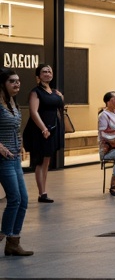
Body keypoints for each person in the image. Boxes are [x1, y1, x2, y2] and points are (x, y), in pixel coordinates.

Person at [1, 68, 34, 256]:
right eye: (12, 81)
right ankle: (3, 233)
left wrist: (21, 146)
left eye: (18, 81)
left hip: (14, 157)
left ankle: (13, 242)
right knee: (14, 199)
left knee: (23, 200)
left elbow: (15, 129)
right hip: (2, 159)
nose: (17, 84)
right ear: (3, 84)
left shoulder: (13, 103)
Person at [24, 64, 64, 204]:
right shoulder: (36, 92)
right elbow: (33, 112)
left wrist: (61, 97)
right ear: (38, 76)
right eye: (44, 72)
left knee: (47, 161)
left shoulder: (54, 92)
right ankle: (42, 193)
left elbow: (59, 107)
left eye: (49, 71)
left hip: (53, 128)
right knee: (40, 162)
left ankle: (44, 191)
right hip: (41, 130)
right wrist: (43, 129)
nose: (47, 73)